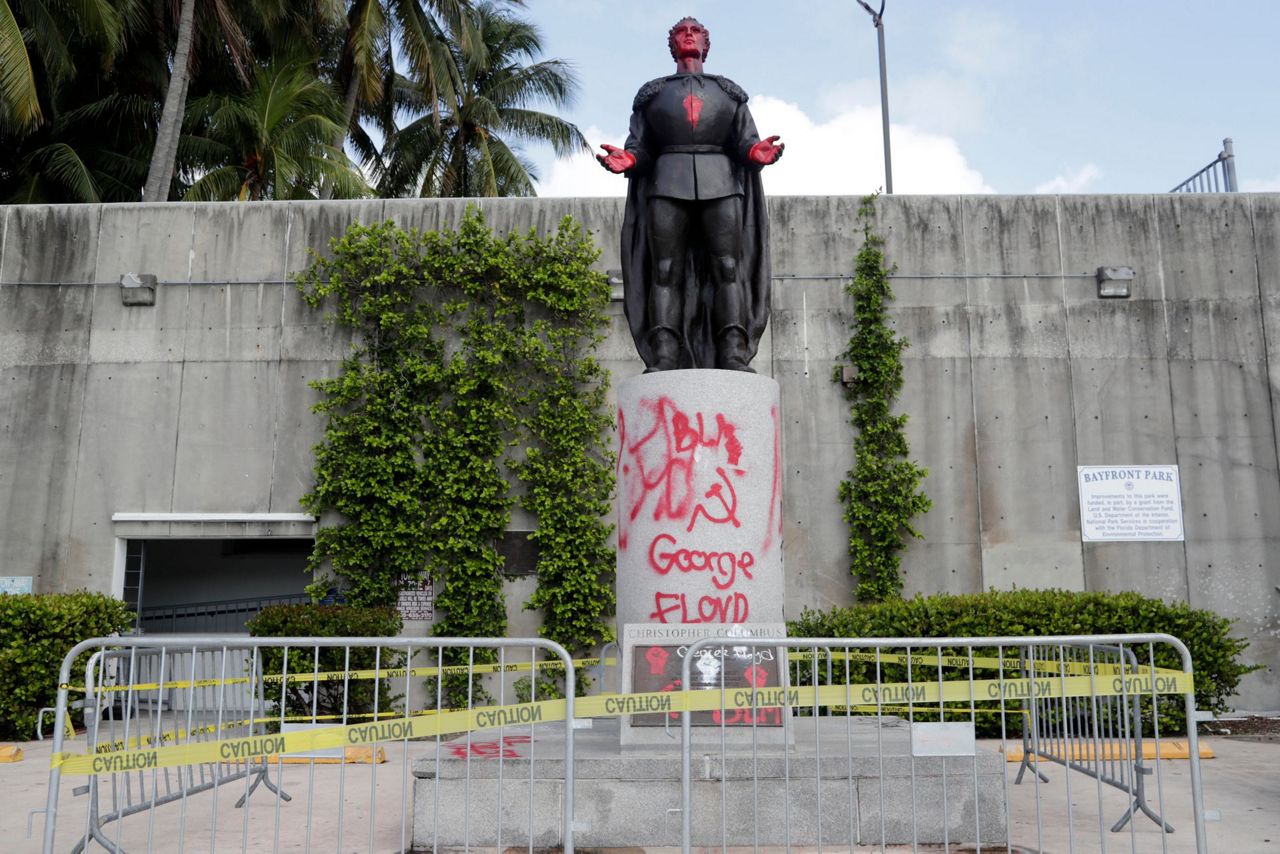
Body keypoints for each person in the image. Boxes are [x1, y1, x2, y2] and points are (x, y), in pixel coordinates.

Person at [598, 17, 784, 372]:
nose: (687, 34)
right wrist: (630, 159)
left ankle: (732, 350)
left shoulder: (728, 92)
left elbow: (744, 141)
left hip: (721, 183)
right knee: (664, 269)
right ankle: (665, 353)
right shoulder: (652, 94)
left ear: (705, 45)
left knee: (728, 267)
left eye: (694, 31)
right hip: (667, 183)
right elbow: (640, 146)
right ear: (672, 45)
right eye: (681, 32)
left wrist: (754, 152)